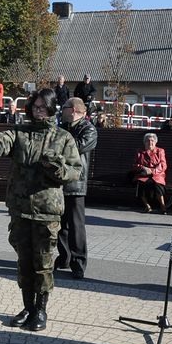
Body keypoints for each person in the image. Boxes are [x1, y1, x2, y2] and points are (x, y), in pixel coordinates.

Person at [0, 88, 82, 332]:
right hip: (20, 208)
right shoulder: (20, 133)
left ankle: (40, 309)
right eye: (35, 107)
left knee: (43, 263)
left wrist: (56, 167)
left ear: (51, 109)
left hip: (46, 211)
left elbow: (74, 172)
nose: (38, 111)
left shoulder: (63, 138)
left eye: (42, 107)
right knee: (24, 262)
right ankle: (27, 306)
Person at [56, 98, 98, 279]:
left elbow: (79, 147)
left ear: (72, 110)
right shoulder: (63, 127)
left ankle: (79, 262)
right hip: (58, 182)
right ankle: (65, 258)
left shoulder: (88, 128)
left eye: (63, 108)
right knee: (59, 225)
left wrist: (59, 145)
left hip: (76, 184)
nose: (61, 110)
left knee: (76, 226)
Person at [133, 132, 168, 213]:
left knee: (158, 185)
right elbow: (134, 164)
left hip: (157, 174)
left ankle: (163, 206)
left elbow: (163, 165)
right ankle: (147, 206)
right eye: (148, 141)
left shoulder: (160, 151)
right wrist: (143, 168)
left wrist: (152, 171)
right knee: (141, 184)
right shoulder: (139, 152)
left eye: (152, 140)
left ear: (155, 142)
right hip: (143, 174)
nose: (150, 142)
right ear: (144, 142)